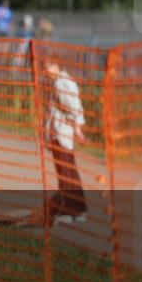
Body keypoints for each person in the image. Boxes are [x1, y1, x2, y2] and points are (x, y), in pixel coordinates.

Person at [44, 62, 87, 223]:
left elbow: (74, 108)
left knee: (66, 175)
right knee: (67, 174)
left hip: (62, 134)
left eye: (47, 66)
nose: (45, 70)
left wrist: (77, 129)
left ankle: (72, 211)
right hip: (59, 134)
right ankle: (77, 210)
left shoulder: (62, 83)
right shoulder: (59, 82)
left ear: (56, 65)